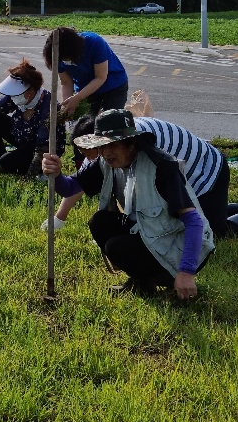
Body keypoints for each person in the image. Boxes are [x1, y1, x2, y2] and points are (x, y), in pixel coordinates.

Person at [41, 109, 214, 301]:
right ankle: (141, 283)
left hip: (178, 245)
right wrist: (56, 174)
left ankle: (172, 282)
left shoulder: (162, 168)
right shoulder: (106, 162)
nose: (106, 152)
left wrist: (187, 272)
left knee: (117, 247)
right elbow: (70, 188)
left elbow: (193, 221)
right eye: (102, 145)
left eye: (113, 145)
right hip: (149, 233)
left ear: (131, 144)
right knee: (100, 222)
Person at [0, 60, 62, 177]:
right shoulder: (18, 97)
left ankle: (41, 172)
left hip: (41, 150)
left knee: (7, 162)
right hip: (23, 137)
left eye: (16, 94)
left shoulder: (47, 107)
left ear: (30, 91)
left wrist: (29, 177)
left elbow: (42, 147)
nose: (13, 97)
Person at [42, 26, 128, 115]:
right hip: (85, 90)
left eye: (66, 58)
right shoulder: (58, 55)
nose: (65, 61)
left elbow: (100, 77)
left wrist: (77, 98)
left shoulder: (94, 42)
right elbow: (66, 82)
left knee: (109, 119)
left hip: (113, 86)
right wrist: (67, 104)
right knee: (85, 121)